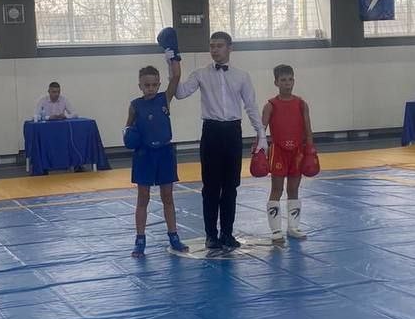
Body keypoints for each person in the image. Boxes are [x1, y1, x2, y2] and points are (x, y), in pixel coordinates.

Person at [174, 30, 265, 251]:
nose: (214, 50)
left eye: (219, 46)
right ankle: (210, 235)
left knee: (231, 186)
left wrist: (261, 134)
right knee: (211, 187)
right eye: (212, 46)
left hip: (233, 132)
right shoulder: (200, 74)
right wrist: (173, 65)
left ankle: (227, 233)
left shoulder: (242, 76)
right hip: (211, 132)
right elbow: (180, 93)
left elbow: (251, 106)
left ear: (229, 48)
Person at [125, 62, 189, 257]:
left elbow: (176, 77)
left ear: (159, 84)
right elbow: (127, 129)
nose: (151, 88)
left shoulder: (164, 98)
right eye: (147, 85)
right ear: (140, 86)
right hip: (144, 155)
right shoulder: (135, 105)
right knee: (143, 198)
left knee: (167, 196)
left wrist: (173, 57)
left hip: (164, 153)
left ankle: (174, 236)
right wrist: (129, 136)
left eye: (154, 85)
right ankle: (140, 240)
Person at [262, 63, 313, 242]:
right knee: (276, 189)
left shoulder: (301, 104)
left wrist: (310, 149)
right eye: (283, 80)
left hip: (297, 151)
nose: (287, 83)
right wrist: (258, 150)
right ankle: (276, 230)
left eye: (290, 79)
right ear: (276, 82)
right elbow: (262, 129)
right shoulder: (270, 105)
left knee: (293, 189)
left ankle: (293, 227)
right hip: (278, 151)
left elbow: (308, 128)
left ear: (294, 81)